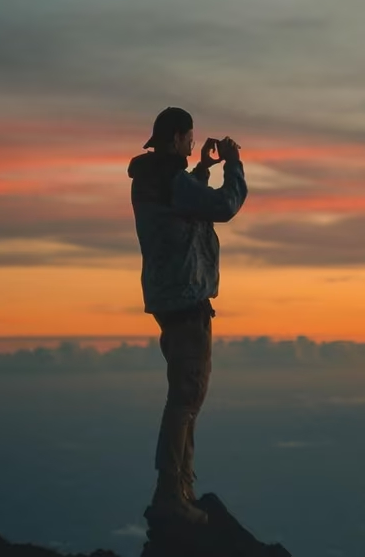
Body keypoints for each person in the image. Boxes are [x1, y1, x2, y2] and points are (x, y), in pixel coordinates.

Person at [127, 106, 248, 525]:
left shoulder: (156, 178)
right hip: (186, 300)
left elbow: (185, 203)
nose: (192, 145)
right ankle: (171, 494)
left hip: (169, 297)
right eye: (190, 140)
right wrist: (233, 165)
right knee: (186, 397)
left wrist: (201, 169)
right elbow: (224, 207)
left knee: (186, 395)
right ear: (179, 138)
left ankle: (181, 488)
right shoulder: (168, 180)